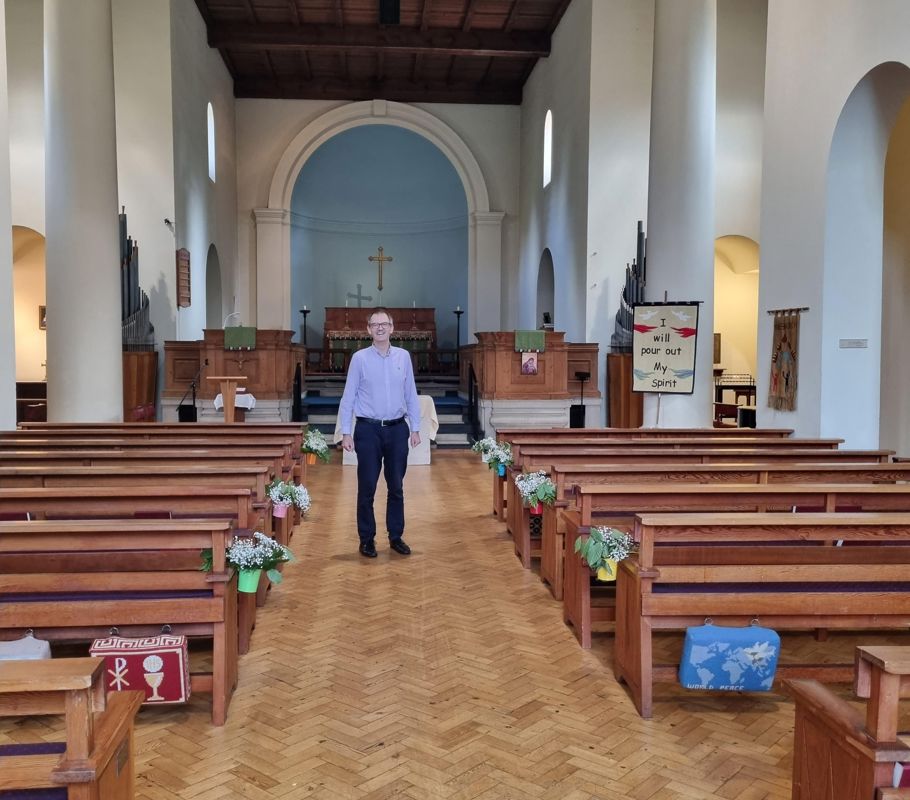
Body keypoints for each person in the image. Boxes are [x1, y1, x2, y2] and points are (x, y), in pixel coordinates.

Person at [339, 308, 421, 558]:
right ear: (368, 330)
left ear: (392, 328)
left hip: (397, 430)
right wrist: (346, 432)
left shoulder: (403, 357)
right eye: (375, 324)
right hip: (367, 430)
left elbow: (411, 393)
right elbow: (349, 396)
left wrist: (415, 427)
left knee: (396, 487)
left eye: (384, 324)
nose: (380, 328)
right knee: (367, 488)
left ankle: (395, 536)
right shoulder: (360, 358)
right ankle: (366, 539)